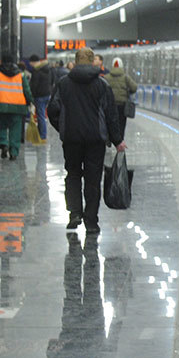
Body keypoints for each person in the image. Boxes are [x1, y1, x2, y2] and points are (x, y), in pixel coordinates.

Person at [47, 48, 126, 234]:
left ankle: (75, 213)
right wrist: (117, 141)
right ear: (93, 63)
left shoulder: (63, 83)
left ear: (74, 62)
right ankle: (91, 221)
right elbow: (111, 115)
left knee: (73, 174)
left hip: (72, 139)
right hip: (95, 140)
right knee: (93, 178)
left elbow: (52, 110)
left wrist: (64, 128)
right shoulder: (102, 85)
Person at [0, 54, 33, 160]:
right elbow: (26, 90)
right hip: (18, 106)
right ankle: (14, 152)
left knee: (1, 126)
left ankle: (3, 144)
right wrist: (30, 100)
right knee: (15, 130)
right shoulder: (21, 74)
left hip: (1, 106)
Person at [104, 57, 138, 139]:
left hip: (110, 105)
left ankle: (109, 138)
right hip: (122, 105)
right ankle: (120, 142)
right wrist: (128, 93)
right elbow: (134, 87)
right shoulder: (125, 77)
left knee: (110, 122)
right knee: (121, 124)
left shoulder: (106, 77)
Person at [25, 54, 53, 141]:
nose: (30, 65)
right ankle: (42, 133)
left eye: (31, 63)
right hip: (47, 94)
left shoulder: (36, 71)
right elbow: (52, 81)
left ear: (33, 62)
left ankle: (42, 135)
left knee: (40, 115)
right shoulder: (47, 69)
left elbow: (34, 85)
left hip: (39, 96)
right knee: (42, 115)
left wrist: (31, 96)